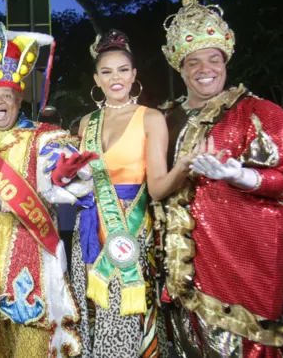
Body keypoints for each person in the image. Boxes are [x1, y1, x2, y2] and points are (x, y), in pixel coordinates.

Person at [158, 0, 283, 357]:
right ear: (180, 69)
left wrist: (247, 178)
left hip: (241, 262)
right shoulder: (165, 117)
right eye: (193, 62)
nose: (204, 69)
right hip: (179, 265)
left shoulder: (259, 112)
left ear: (226, 61)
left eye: (213, 59)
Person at [0, 13, 93, 358]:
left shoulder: (42, 138)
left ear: (19, 100)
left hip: (29, 252)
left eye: (7, 96)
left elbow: (67, 181)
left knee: (31, 337)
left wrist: (62, 175)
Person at [72, 30, 192, 358]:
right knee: (88, 316)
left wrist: (181, 167)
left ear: (134, 74)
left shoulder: (151, 119)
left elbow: (156, 187)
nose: (116, 78)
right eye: (107, 71)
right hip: (88, 229)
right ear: (96, 78)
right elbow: (82, 177)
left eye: (123, 70)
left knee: (123, 318)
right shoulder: (86, 123)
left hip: (129, 227)